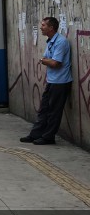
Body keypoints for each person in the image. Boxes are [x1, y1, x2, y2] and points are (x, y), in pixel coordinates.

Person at [20, 17, 73, 145]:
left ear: (51, 28)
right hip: (52, 81)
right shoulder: (50, 41)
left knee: (54, 111)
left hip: (60, 82)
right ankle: (35, 134)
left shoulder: (61, 42)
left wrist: (44, 61)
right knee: (44, 109)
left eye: (43, 25)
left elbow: (55, 63)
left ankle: (49, 137)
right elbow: (47, 59)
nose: (41, 27)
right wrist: (45, 60)